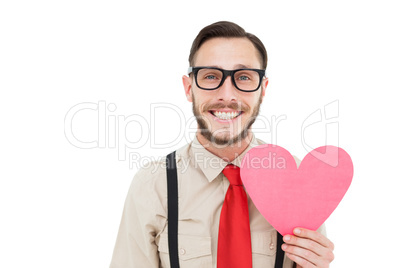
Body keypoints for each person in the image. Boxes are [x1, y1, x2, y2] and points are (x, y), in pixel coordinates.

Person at [110, 21, 334, 268]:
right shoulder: (153, 185)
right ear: (188, 88)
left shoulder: (298, 180)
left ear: (262, 89)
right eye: (211, 76)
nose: (227, 95)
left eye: (244, 77)